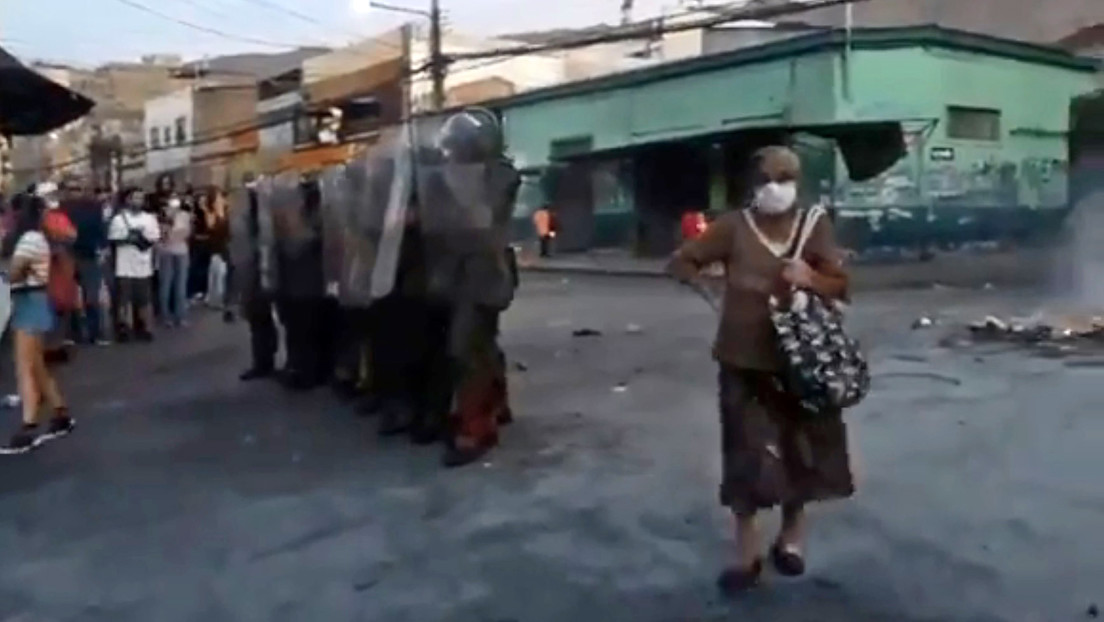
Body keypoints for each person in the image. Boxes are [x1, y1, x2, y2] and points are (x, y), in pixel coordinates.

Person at [667, 145, 853, 594]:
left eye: (786, 178)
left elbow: (842, 286)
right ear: (754, 184)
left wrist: (810, 280)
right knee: (744, 456)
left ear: (798, 182)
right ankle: (747, 555)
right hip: (742, 359)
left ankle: (791, 542)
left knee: (801, 450)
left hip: (801, 363)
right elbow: (681, 261)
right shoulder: (733, 227)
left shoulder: (814, 225)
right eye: (769, 178)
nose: (777, 187)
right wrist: (709, 285)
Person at [0, 193, 73, 455]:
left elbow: (15, 272)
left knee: (24, 367)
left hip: (28, 301)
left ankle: (28, 425)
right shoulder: (38, 237)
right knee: (38, 365)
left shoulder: (30, 239)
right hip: (34, 300)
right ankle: (60, 413)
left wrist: (5, 267)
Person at [238, 176, 278, 380]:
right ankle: (263, 361)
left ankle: (270, 361)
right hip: (254, 267)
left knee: (277, 316)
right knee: (258, 316)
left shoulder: (271, 207)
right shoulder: (246, 213)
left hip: (272, 265)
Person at [108, 187, 160, 342]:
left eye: (140, 198)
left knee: (144, 299)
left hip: (143, 265)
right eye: (135, 197)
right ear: (127, 200)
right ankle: (124, 327)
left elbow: (154, 237)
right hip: (124, 266)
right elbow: (113, 238)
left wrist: (141, 238)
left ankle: (144, 326)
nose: (138, 201)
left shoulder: (149, 218)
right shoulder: (119, 219)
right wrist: (129, 238)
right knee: (124, 299)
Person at [65, 182, 110, 344]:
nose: (75, 193)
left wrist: (103, 247)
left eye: (77, 189)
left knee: (90, 295)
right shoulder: (64, 209)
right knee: (72, 296)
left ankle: (93, 333)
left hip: (87, 255)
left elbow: (101, 229)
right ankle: (75, 333)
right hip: (70, 255)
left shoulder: (93, 208)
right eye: (72, 189)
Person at [157, 194, 192, 327]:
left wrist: (175, 233)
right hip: (166, 252)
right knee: (166, 284)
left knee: (181, 285)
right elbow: (163, 235)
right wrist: (169, 224)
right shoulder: (162, 215)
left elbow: (186, 232)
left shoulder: (184, 215)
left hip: (181, 251)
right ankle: (165, 316)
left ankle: (180, 316)